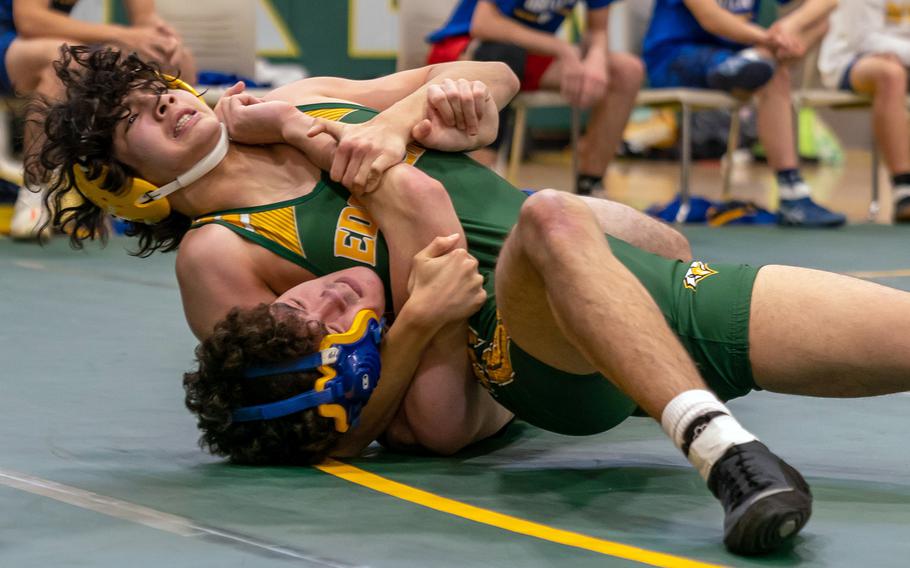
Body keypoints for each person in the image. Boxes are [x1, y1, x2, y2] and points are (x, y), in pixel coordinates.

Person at [34, 44, 890, 556]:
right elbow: (306, 421)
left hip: (621, 298)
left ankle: (662, 380)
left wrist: (427, 111)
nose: (172, 107)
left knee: (641, 242)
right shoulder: (220, 254)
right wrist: (419, 320)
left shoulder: (300, 103)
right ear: (125, 183)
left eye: (164, 90)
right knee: (553, 219)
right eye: (141, 118)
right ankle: (724, 456)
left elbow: (497, 76)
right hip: (511, 355)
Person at [642, 0, 846, 227]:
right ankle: (792, 193)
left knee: (812, 30)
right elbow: (710, 18)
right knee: (769, 71)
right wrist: (767, 39)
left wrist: (789, 26)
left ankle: (754, 62)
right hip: (676, 58)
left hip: (743, 54)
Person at [8, 0, 195, 240]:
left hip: (53, 40)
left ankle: (182, 194)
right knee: (66, 59)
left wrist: (165, 41)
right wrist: (123, 35)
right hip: (14, 38)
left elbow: (146, 22)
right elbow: (30, 21)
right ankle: (34, 191)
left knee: (175, 59)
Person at [426, 0, 643, 195]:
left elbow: (597, 31)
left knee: (627, 72)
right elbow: (483, 24)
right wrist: (562, 48)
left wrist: (597, 58)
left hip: (531, 52)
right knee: (503, 57)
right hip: (466, 46)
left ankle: (590, 185)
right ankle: (475, 183)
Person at [818, 0, 910, 222]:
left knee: (895, 69)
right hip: (850, 59)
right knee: (891, 75)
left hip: (901, 56)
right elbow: (862, 39)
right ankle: (904, 190)